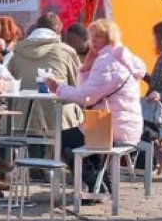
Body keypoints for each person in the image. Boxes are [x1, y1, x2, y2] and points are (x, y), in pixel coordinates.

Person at [45, 19, 146, 194]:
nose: (93, 41)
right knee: (79, 135)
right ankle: (100, 183)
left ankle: (97, 186)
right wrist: (85, 69)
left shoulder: (106, 61)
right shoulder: (122, 56)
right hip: (126, 125)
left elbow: (86, 97)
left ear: (110, 37)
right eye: (92, 37)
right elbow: (89, 91)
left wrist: (58, 88)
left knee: (64, 139)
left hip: (111, 127)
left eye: (98, 36)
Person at [7, 12, 83, 139]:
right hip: (60, 123)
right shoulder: (67, 52)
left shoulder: (16, 51)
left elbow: (8, 83)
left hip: (20, 121)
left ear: (36, 28)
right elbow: (79, 86)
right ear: (59, 32)